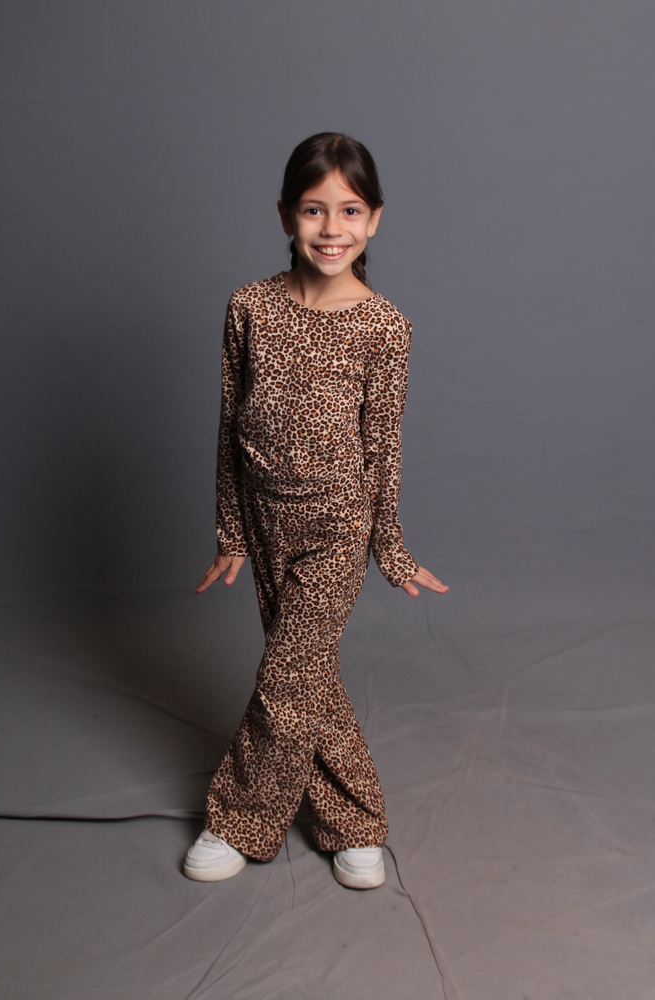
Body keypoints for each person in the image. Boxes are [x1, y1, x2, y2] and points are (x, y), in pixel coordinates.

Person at [184, 133, 448, 890]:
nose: (331, 228)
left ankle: (237, 820)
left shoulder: (383, 325)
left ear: (374, 220)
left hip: (337, 528)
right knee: (308, 680)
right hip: (265, 520)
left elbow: (383, 445)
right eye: (313, 210)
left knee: (285, 676)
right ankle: (354, 822)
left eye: (350, 210)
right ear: (284, 216)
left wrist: (388, 545)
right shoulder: (249, 307)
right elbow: (229, 425)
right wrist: (231, 530)